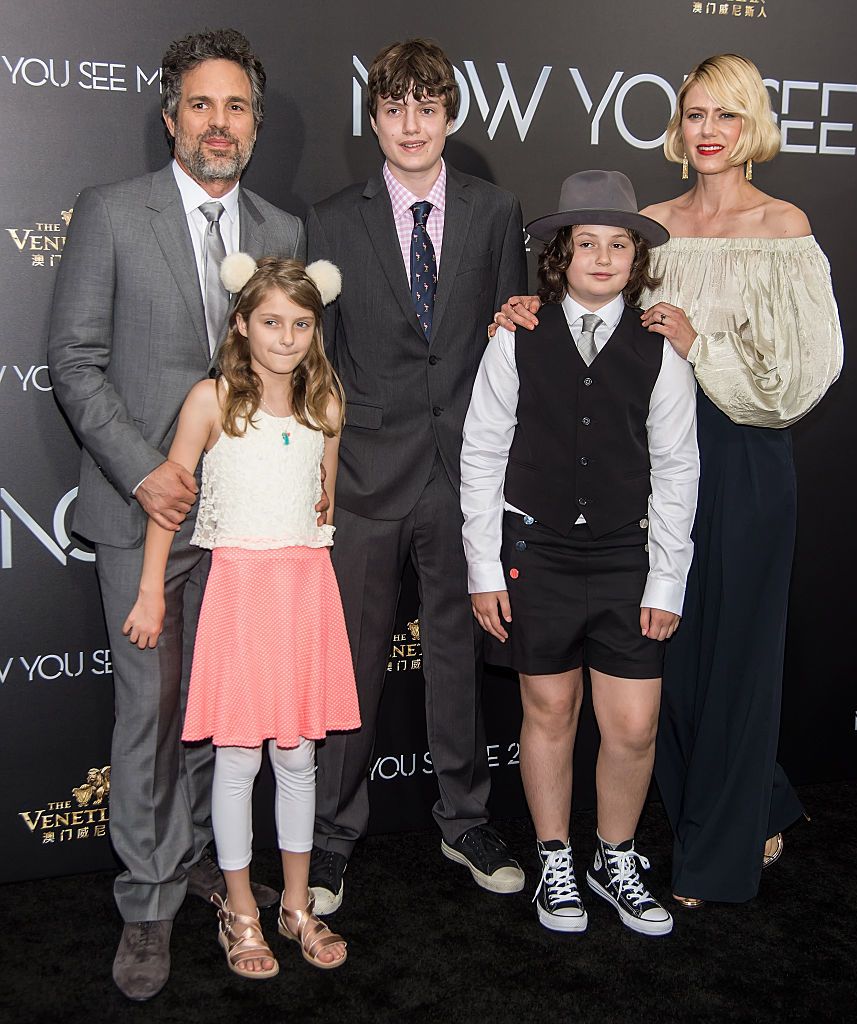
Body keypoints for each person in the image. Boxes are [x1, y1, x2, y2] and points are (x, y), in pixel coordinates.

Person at [493, 54, 844, 907]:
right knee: (668, 663)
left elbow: (808, 372)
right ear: (678, 127)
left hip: (746, 456)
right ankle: (739, 802)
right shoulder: (648, 224)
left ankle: (721, 850)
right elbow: (592, 312)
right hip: (645, 470)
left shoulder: (782, 225)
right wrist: (524, 312)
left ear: (753, 123)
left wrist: (702, 346)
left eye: (727, 115)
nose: (710, 132)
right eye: (695, 115)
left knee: (736, 654)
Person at [47, 29, 308, 1000]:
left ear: (256, 122)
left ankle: (203, 856)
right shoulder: (113, 213)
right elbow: (73, 359)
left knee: (224, 707)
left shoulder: (283, 231)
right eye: (200, 104)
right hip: (140, 512)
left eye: (235, 106)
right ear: (170, 118)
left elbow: (296, 381)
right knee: (151, 710)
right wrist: (144, 470)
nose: (218, 123)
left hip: (248, 528)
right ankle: (149, 897)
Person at [305, 38, 528, 913]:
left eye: (427, 108)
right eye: (394, 108)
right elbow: (316, 358)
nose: (411, 125)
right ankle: (328, 837)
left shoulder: (497, 210)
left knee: (457, 659)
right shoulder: (328, 219)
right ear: (373, 120)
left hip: (463, 475)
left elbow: (509, 341)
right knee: (350, 664)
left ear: (450, 117)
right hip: (362, 473)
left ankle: (464, 818)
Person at [462, 170, 698, 935]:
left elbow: (677, 467)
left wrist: (667, 577)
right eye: (587, 243)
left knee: (632, 724)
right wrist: (484, 566)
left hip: (628, 559)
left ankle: (615, 856)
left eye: (618, 244)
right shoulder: (516, 334)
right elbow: (482, 452)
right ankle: (555, 857)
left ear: (637, 258)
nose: (602, 257)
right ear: (561, 255)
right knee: (550, 708)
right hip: (541, 553)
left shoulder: (661, 347)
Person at [123, 255, 359, 978]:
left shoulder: (327, 404)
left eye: (300, 324)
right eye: (270, 322)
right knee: (235, 759)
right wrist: (151, 589)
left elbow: (323, 500)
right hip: (237, 591)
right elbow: (170, 503)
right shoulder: (211, 400)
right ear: (241, 324)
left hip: (304, 590)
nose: (286, 338)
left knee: (296, 755)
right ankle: (240, 910)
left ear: (316, 330)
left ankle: (295, 906)